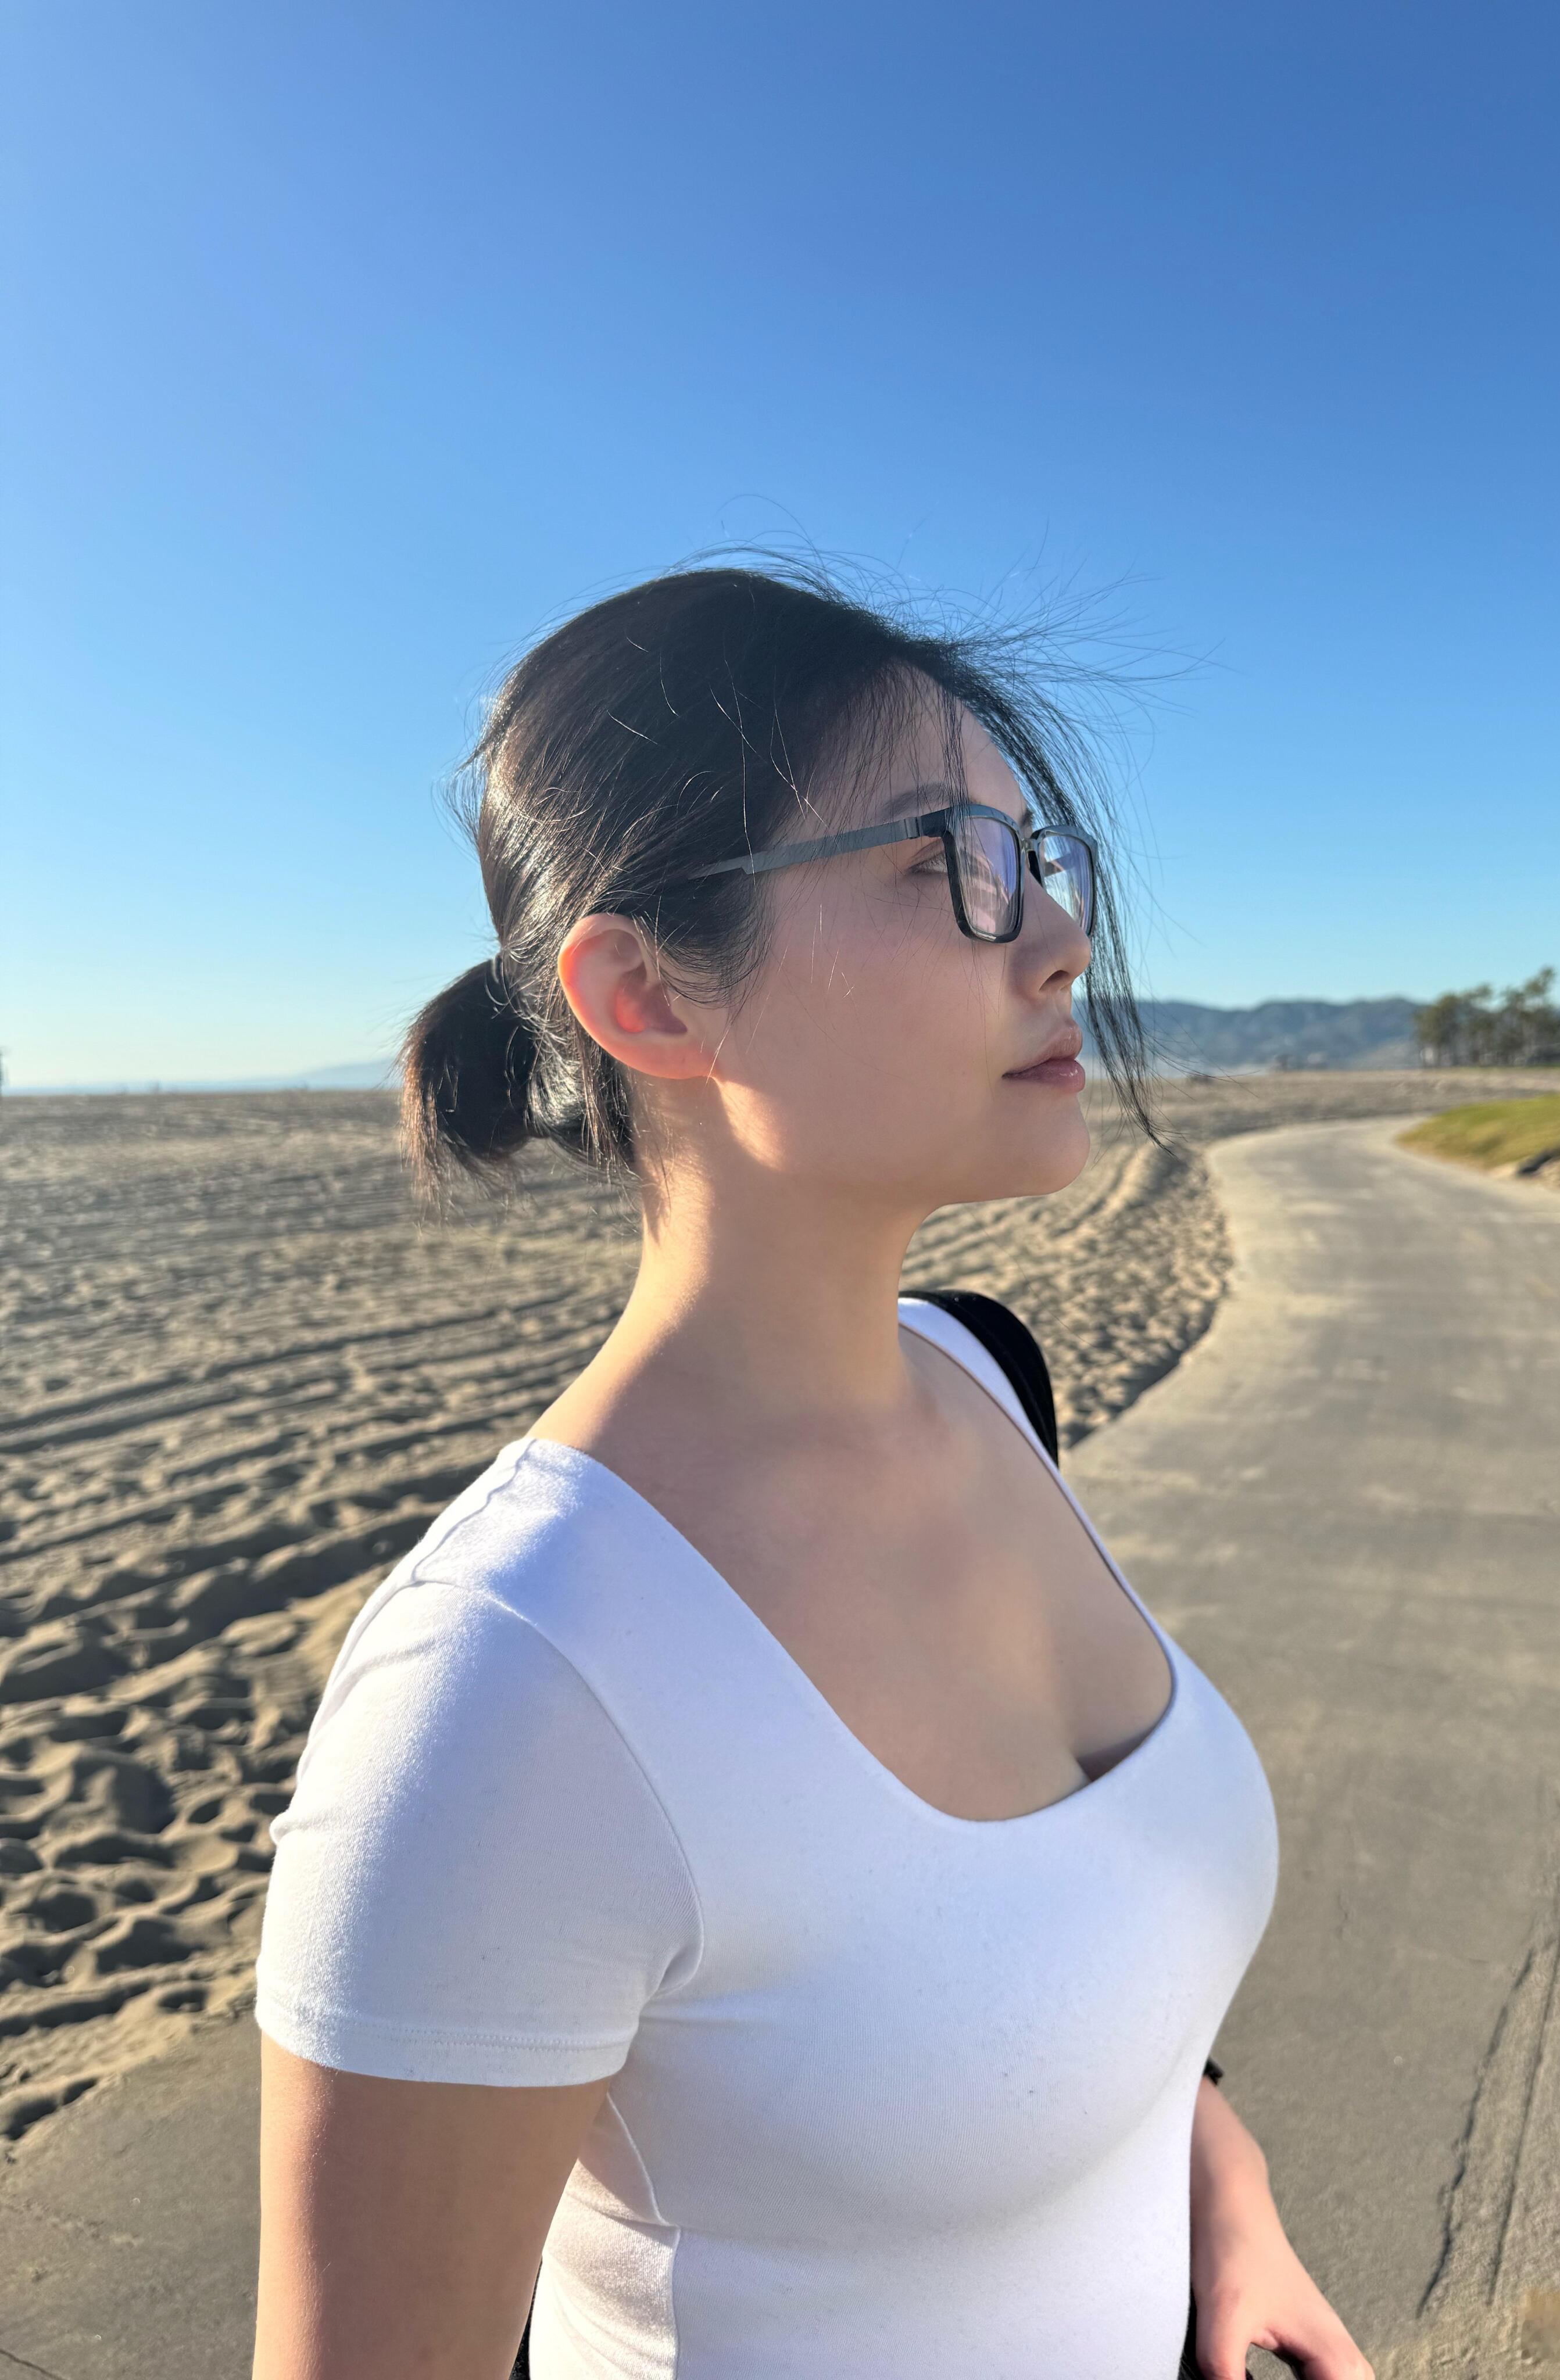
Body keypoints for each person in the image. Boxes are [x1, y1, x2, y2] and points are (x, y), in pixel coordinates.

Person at [250, 563, 1372, 2380]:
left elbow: (1046, 1978)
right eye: (948, 863)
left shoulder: (985, 1373)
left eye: (1039, 855)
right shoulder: (505, 1694)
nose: (1060, 940)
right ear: (648, 996)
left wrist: (1219, 2191)